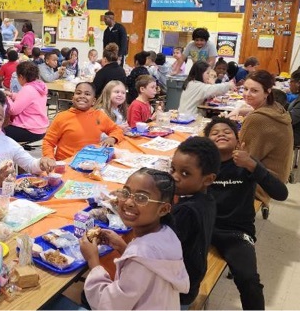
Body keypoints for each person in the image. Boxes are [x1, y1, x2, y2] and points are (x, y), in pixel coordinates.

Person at [204, 117, 288, 310]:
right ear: (207, 141)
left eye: (227, 132)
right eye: (215, 133)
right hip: (204, 227)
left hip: (236, 233)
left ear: (238, 140)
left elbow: (281, 194)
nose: (221, 135)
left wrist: (252, 165)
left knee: (249, 280)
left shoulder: (247, 164)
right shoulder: (202, 165)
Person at [80, 168, 189, 310]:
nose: (129, 202)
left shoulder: (140, 258)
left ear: (163, 209)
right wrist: (122, 247)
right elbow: (151, 265)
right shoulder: (167, 234)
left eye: (142, 198)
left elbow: (109, 305)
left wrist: (93, 261)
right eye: (125, 193)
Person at [167, 136, 220, 308]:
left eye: (185, 173)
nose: (174, 177)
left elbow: (158, 249)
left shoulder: (186, 211)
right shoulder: (207, 199)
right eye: (172, 169)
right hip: (190, 282)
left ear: (208, 179)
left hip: (175, 293)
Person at [239, 70, 293, 219]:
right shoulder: (277, 108)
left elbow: (243, 156)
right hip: (275, 179)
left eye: (254, 90)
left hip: (260, 183)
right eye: (245, 89)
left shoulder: (258, 119)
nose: (247, 94)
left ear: (267, 92)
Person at [42, 82, 124, 161]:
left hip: (91, 163)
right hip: (66, 163)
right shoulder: (62, 117)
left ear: (93, 101)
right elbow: (48, 142)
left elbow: (117, 130)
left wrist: (112, 138)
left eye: (87, 94)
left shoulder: (99, 115)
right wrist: (49, 157)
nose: (82, 96)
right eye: (78, 93)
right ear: (73, 98)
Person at [4, 61, 49, 143]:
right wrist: (12, 95)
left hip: (29, 130)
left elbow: (13, 110)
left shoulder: (28, 89)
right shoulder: (39, 85)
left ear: (21, 77)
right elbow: (27, 99)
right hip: (40, 128)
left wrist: (7, 98)